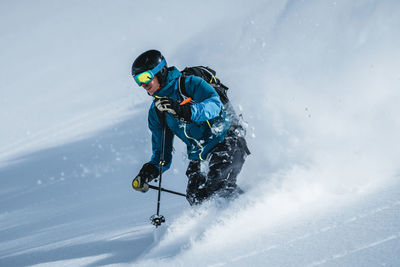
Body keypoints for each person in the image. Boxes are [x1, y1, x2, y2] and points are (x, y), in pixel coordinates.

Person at [131, 49, 250, 205]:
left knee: (217, 188)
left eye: (145, 77)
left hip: (226, 140)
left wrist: (184, 110)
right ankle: (223, 224)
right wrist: (149, 171)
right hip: (199, 157)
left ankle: (254, 208)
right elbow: (162, 153)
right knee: (197, 199)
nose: (143, 84)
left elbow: (214, 105)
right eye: (137, 80)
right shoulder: (157, 112)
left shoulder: (189, 84)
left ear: (160, 71)